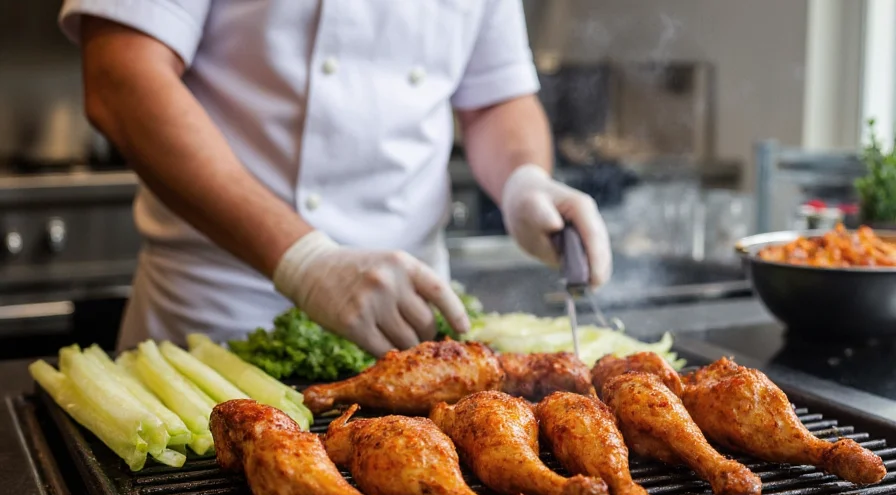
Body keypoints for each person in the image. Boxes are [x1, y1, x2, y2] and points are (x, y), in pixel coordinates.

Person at [58, 0, 612, 357]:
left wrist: (523, 180)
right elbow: (121, 77)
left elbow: (495, 97)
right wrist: (304, 261)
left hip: (410, 326)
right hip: (217, 322)